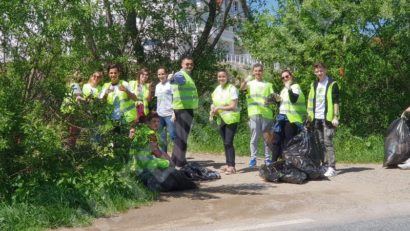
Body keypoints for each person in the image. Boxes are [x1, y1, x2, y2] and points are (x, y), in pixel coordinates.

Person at [129, 113, 197, 192]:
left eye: (158, 121)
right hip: (145, 163)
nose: (157, 123)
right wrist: (169, 161)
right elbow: (156, 151)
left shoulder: (141, 130)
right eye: (154, 121)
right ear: (148, 122)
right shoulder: (151, 134)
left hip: (135, 163)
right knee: (167, 164)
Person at [307, 63, 340, 177]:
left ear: (325, 70)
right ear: (314, 72)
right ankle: (324, 164)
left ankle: (332, 167)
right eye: (317, 71)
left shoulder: (332, 84)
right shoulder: (314, 84)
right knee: (320, 143)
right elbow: (311, 101)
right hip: (316, 118)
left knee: (328, 142)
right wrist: (309, 116)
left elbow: (336, 102)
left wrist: (336, 116)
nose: (319, 73)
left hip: (328, 118)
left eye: (321, 70)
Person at [240, 63, 275, 167]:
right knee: (254, 137)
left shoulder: (268, 85)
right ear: (253, 72)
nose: (258, 72)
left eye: (259, 70)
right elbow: (241, 88)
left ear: (262, 72)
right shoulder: (249, 84)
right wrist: (246, 80)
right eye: (256, 70)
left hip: (266, 113)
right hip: (254, 113)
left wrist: (271, 100)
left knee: (267, 138)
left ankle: (267, 159)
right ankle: (253, 159)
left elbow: (273, 99)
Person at [168, 56, 198, 167]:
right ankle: (180, 163)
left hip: (182, 108)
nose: (189, 66)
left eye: (191, 64)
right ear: (182, 64)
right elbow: (178, 80)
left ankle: (175, 160)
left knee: (179, 136)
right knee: (182, 137)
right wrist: (172, 78)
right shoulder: (181, 74)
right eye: (187, 64)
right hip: (183, 109)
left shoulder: (188, 75)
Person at [271, 70, 307, 162]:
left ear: (291, 76)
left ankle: (287, 164)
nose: (285, 79)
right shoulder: (283, 90)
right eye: (283, 78)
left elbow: (294, 99)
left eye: (287, 76)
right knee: (276, 141)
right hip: (281, 117)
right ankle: (273, 163)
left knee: (288, 142)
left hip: (292, 119)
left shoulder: (295, 87)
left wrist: (289, 89)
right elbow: (283, 105)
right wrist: (277, 100)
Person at [210, 70, 240, 175]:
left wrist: (219, 107)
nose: (221, 78)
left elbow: (233, 106)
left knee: (228, 142)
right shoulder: (217, 89)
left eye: (223, 76)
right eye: (219, 76)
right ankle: (227, 165)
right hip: (221, 118)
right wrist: (213, 108)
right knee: (225, 143)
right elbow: (214, 103)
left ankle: (232, 166)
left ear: (227, 77)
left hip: (231, 118)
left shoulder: (232, 89)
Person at [99, 64, 137, 130]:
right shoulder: (106, 86)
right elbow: (100, 102)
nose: (113, 75)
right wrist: (106, 94)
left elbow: (135, 98)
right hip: (112, 120)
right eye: (111, 73)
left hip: (126, 119)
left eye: (115, 73)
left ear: (118, 73)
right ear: (108, 74)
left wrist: (126, 91)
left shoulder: (125, 84)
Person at [60, 70, 85, 148]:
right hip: (72, 109)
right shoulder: (75, 85)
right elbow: (77, 98)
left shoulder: (69, 84)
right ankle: (70, 147)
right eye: (78, 74)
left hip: (65, 108)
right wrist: (86, 99)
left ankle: (65, 145)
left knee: (67, 128)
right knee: (73, 128)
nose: (79, 75)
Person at [155, 67, 176, 153]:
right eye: (159, 74)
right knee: (162, 137)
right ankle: (164, 156)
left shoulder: (171, 84)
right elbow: (158, 100)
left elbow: (175, 98)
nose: (161, 76)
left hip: (169, 114)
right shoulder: (157, 86)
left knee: (172, 135)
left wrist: (175, 113)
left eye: (162, 74)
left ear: (166, 74)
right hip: (160, 115)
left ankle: (178, 156)